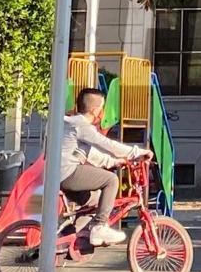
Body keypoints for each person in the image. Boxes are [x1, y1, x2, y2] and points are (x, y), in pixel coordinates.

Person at [61, 87, 150, 247]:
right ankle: (99, 226)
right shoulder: (81, 125)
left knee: (94, 201)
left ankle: (73, 237)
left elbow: (92, 154)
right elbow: (107, 144)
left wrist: (115, 162)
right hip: (67, 173)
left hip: (60, 174)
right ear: (95, 110)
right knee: (111, 180)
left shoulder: (73, 125)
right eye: (102, 109)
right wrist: (137, 152)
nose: (102, 114)